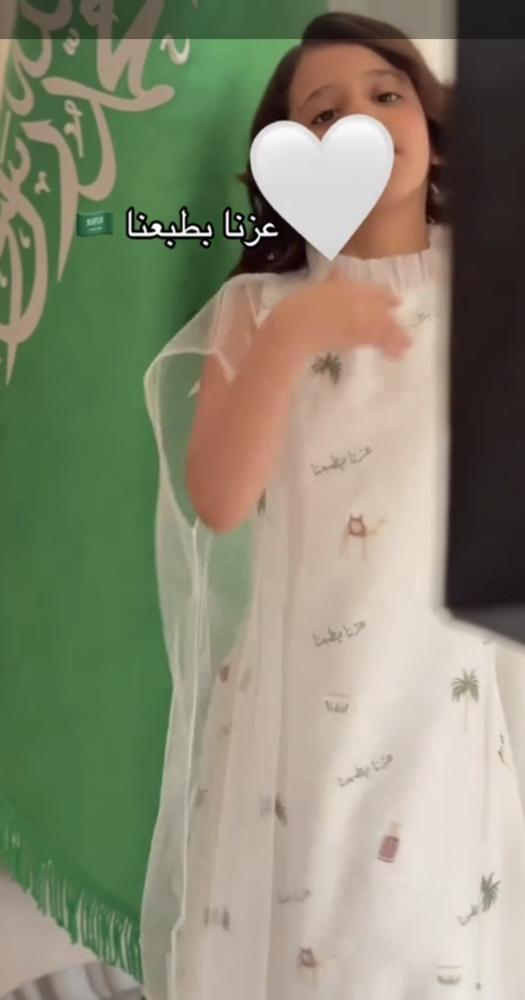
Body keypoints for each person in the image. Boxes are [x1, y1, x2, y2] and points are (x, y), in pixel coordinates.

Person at [141, 13, 525, 1000]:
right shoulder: (260, 311)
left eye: (385, 94)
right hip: (301, 697)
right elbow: (218, 499)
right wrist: (293, 335)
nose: (357, 119)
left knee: (429, 936)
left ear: (433, 126)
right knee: (311, 930)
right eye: (321, 114)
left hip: (444, 689)